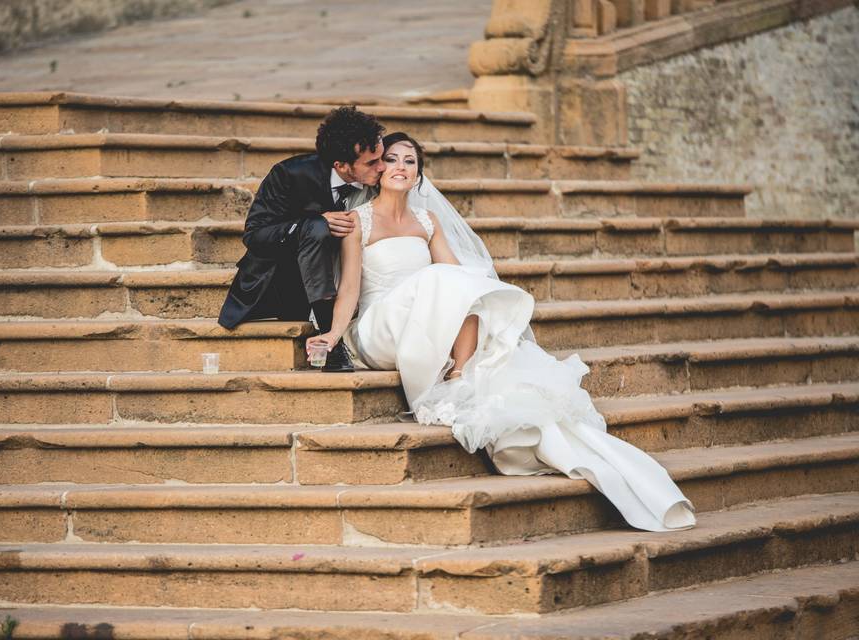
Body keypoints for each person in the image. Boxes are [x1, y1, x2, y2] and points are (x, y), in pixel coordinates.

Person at [306, 132, 696, 532]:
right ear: (377, 168)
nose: (401, 168)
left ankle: (460, 374)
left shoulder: (428, 220)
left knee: (461, 281)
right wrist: (334, 335)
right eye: (392, 159)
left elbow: (460, 282)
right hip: (379, 328)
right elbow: (350, 287)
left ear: (419, 173)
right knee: (445, 277)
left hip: (427, 323)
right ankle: (456, 377)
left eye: (410, 161)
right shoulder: (358, 220)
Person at [219, 106, 385, 372]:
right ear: (340, 166)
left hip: (363, 277)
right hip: (290, 283)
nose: (383, 166)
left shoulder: (386, 177)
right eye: (371, 163)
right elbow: (254, 235)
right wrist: (313, 223)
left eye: (382, 157)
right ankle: (332, 336)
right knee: (316, 228)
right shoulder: (289, 175)